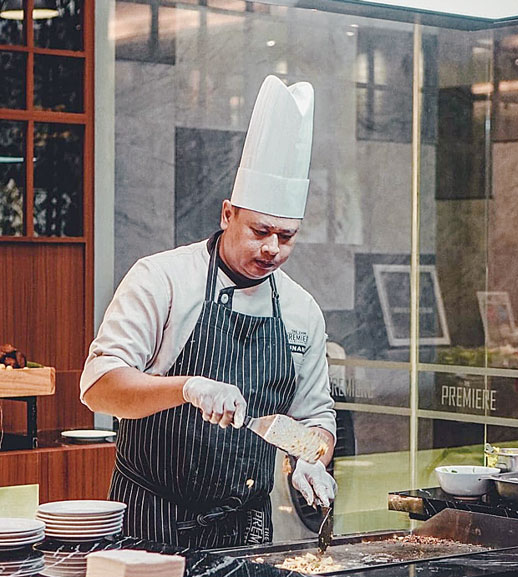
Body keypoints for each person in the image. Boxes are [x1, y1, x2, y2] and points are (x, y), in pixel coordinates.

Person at [80, 75, 337, 549]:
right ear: (227, 214)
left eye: (287, 236)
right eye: (260, 231)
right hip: (152, 519)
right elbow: (99, 388)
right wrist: (186, 388)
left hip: (247, 529)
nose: (273, 248)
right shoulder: (162, 279)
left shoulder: (301, 310)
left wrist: (311, 457)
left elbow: (316, 418)